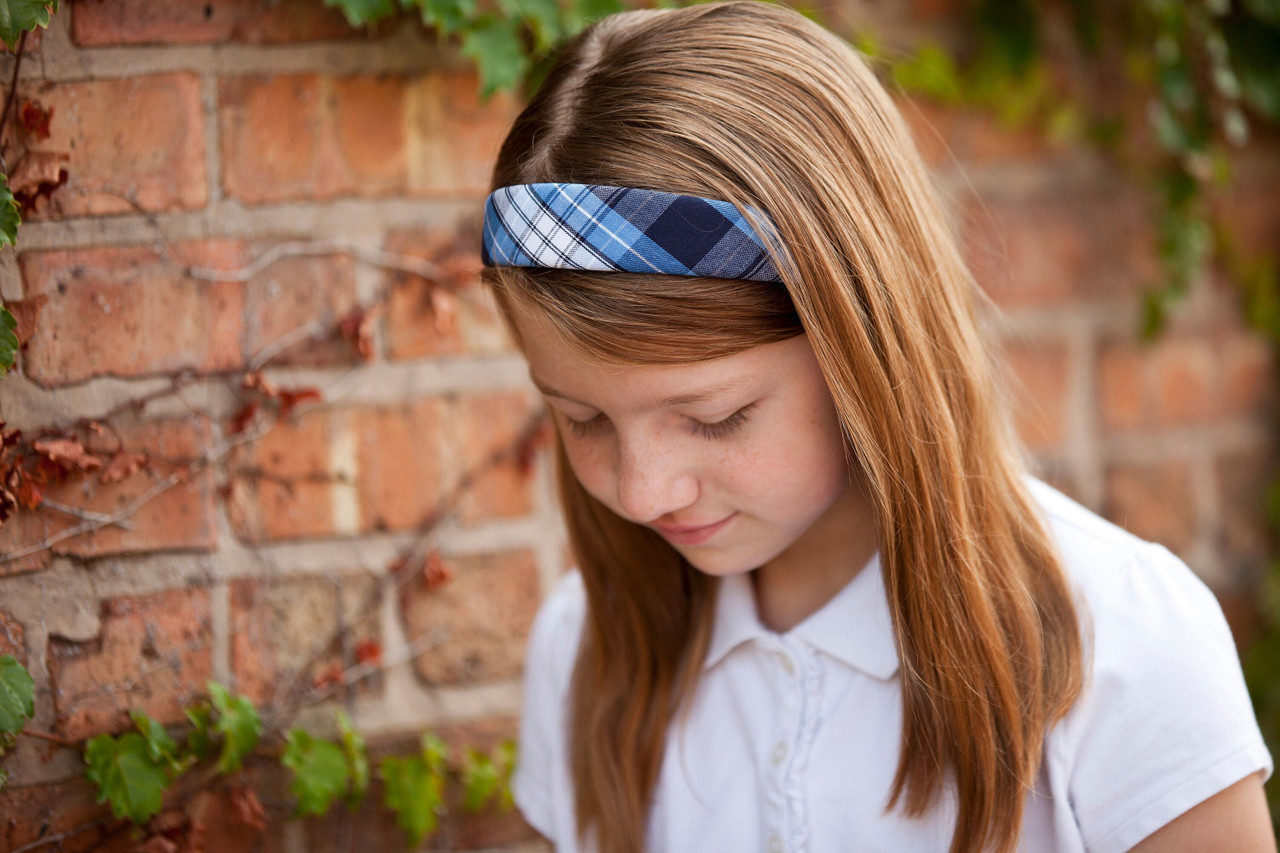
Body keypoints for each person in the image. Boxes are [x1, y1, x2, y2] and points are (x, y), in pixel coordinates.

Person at [476, 2, 1276, 851]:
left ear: (865, 348)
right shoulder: (587, 648)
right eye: (583, 419)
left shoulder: (1115, 640)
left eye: (716, 417)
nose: (641, 490)